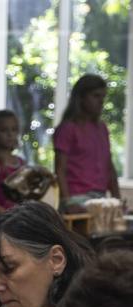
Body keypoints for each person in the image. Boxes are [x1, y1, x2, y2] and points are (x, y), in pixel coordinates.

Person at [54, 74, 120, 214]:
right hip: (76, 199)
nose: (101, 101)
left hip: (100, 199)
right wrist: (68, 202)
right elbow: (60, 169)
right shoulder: (67, 128)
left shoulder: (102, 128)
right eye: (96, 96)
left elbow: (109, 167)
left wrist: (117, 200)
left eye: (103, 97)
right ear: (81, 97)